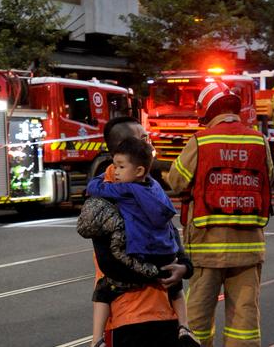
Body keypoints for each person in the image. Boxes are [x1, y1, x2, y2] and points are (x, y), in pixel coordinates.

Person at [167, 81, 274, 347]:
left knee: (198, 318)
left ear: (208, 112)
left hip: (208, 248)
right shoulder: (258, 140)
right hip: (249, 248)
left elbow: (177, 180)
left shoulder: (201, 140)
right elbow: (268, 178)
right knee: (244, 319)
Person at [77, 116, 193, 347]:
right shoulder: (104, 199)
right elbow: (111, 262)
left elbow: (170, 235)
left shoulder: (149, 186)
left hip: (164, 313)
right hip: (128, 317)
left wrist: (184, 267)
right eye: (143, 138)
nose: (149, 144)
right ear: (125, 148)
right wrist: (156, 272)